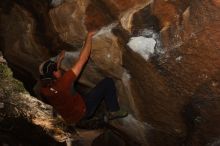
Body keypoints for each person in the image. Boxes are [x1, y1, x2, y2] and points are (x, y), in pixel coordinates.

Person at [39, 31, 127, 124]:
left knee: (82, 94)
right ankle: (114, 111)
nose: (59, 69)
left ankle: (92, 117)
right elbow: (83, 59)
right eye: (57, 69)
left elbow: (52, 76)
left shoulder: (44, 90)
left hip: (70, 117)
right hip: (83, 111)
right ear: (54, 74)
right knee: (108, 82)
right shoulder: (63, 83)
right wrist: (88, 37)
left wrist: (59, 60)